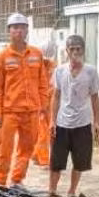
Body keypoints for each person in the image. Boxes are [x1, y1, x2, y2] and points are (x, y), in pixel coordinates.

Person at [0, 12, 50, 187]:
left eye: (22, 27)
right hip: (9, 112)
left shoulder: (37, 54)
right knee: (4, 150)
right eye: (15, 27)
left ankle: (17, 181)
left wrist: (43, 107)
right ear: (9, 31)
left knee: (27, 149)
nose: (19, 31)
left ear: (27, 30)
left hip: (31, 112)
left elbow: (43, 83)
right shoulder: (2, 57)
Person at [47, 35, 99, 197]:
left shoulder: (91, 71)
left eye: (78, 49)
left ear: (83, 51)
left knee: (79, 162)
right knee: (56, 162)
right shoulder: (60, 71)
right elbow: (56, 96)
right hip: (62, 124)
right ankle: (52, 191)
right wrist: (52, 121)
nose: (75, 52)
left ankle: (71, 192)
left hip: (83, 124)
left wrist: (97, 121)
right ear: (67, 51)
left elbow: (95, 98)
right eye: (72, 49)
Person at [32, 39, 58, 168]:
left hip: (50, 104)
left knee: (45, 131)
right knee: (43, 132)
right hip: (41, 104)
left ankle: (37, 156)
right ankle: (42, 158)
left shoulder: (52, 66)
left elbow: (54, 84)